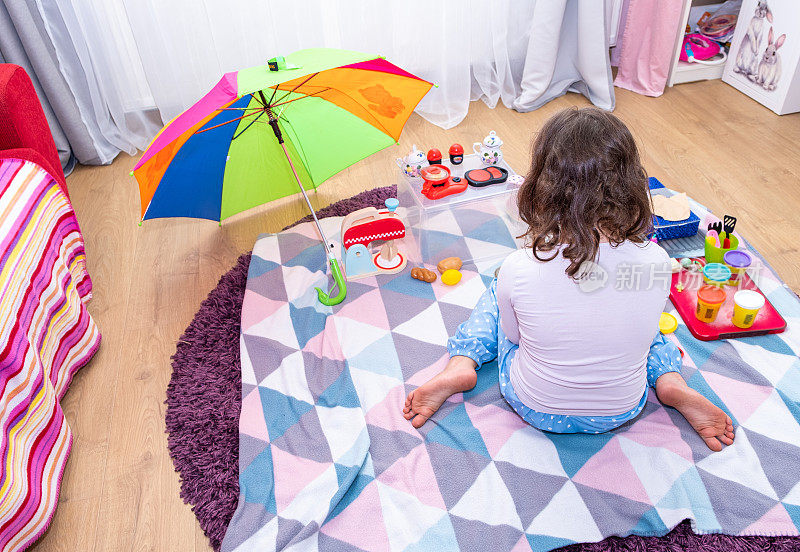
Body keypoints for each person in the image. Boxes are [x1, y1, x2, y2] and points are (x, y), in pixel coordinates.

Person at [403, 108, 734, 451]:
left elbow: (514, 337)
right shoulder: (658, 261)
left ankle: (462, 364)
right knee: (654, 333)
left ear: (541, 187)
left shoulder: (520, 266)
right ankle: (671, 382)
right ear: (633, 185)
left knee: (499, 292)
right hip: (621, 409)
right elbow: (643, 328)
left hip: (534, 405)